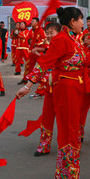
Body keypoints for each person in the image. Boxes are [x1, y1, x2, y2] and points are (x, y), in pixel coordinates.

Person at [16, 7, 90, 179]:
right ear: (72, 22)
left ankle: (70, 173)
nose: (83, 23)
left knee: (73, 130)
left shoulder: (75, 39)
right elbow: (44, 63)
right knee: (67, 132)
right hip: (65, 90)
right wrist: (28, 85)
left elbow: (80, 61)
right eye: (81, 20)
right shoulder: (61, 40)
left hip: (75, 89)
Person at [17, 22, 62, 156]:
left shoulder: (67, 46)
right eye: (47, 33)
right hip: (50, 87)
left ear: (59, 33)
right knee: (47, 117)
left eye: (51, 33)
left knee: (65, 119)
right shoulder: (48, 48)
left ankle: (70, 145)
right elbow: (41, 67)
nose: (48, 35)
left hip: (64, 89)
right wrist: (27, 86)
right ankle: (44, 145)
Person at [22, 17, 46, 83]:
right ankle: (26, 78)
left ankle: (42, 78)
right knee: (28, 65)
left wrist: (36, 43)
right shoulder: (31, 31)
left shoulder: (41, 30)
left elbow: (44, 40)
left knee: (41, 65)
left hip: (39, 51)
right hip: (32, 51)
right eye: (31, 21)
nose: (31, 22)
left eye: (33, 21)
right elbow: (28, 39)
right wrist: (30, 41)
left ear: (37, 23)